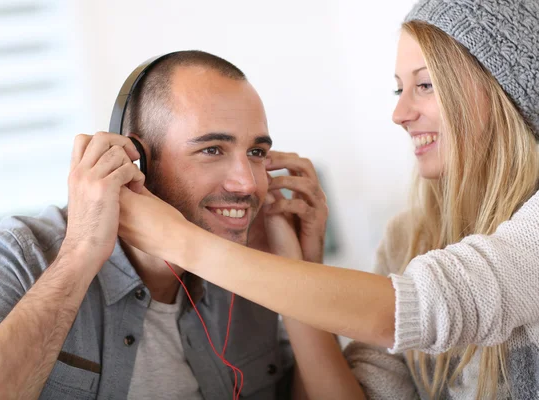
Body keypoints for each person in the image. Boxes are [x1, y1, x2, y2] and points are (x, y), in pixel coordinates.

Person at [117, 1, 539, 399]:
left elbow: (422, 307)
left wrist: (176, 240)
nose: (400, 113)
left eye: (425, 85)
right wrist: (296, 262)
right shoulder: (408, 238)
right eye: (399, 91)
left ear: (506, 88)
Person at [0, 51, 330, 399]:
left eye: (256, 152)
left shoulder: (249, 264)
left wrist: (303, 270)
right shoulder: (16, 255)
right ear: (134, 160)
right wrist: (79, 254)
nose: (247, 183)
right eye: (212, 150)